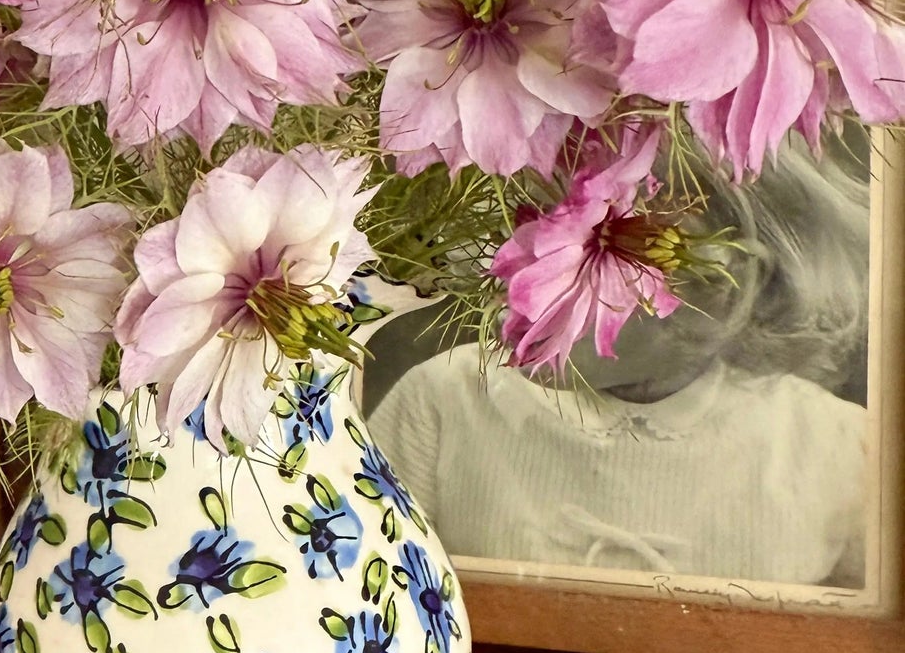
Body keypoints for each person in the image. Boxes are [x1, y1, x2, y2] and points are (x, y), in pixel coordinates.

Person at [368, 140, 872, 590]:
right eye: (534, 223)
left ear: (726, 282)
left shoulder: (840, 450)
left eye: (593, 236)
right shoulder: (443, 400)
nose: (525, 271)